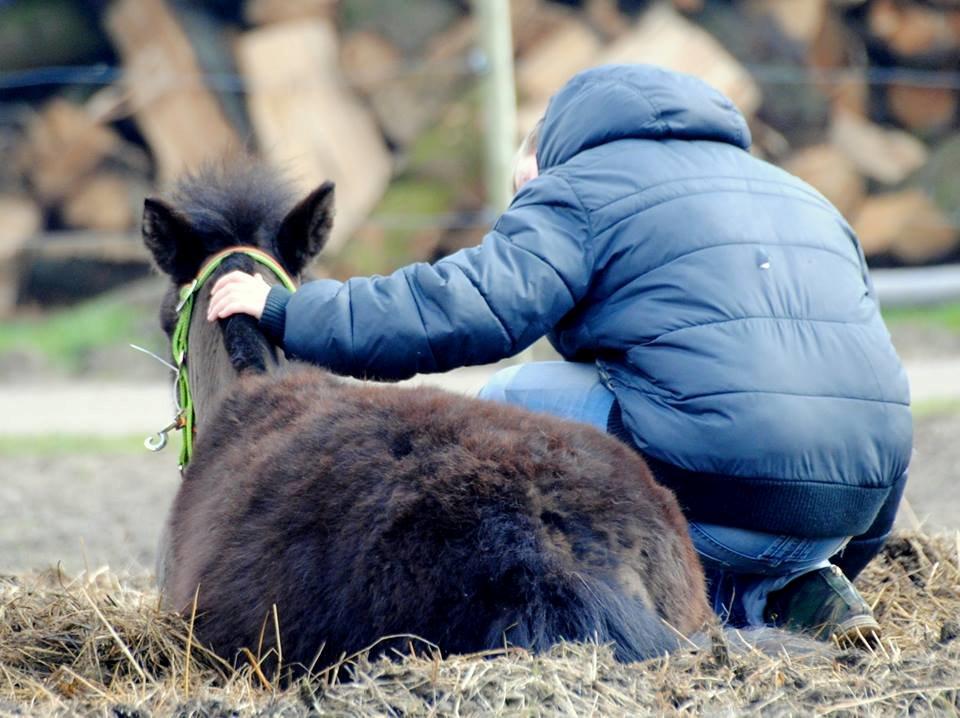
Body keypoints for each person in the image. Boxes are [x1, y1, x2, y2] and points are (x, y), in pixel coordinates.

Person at [206, 64, 912, 643]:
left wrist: (290, 311)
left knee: (509, 409)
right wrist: (849, 543)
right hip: (839, 510)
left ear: (545, 153)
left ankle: (605, 599)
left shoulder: (579, 187)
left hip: (711, 495)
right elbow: (875, 385)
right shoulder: (806, 197)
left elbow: (462, 306)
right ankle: (782, 588)